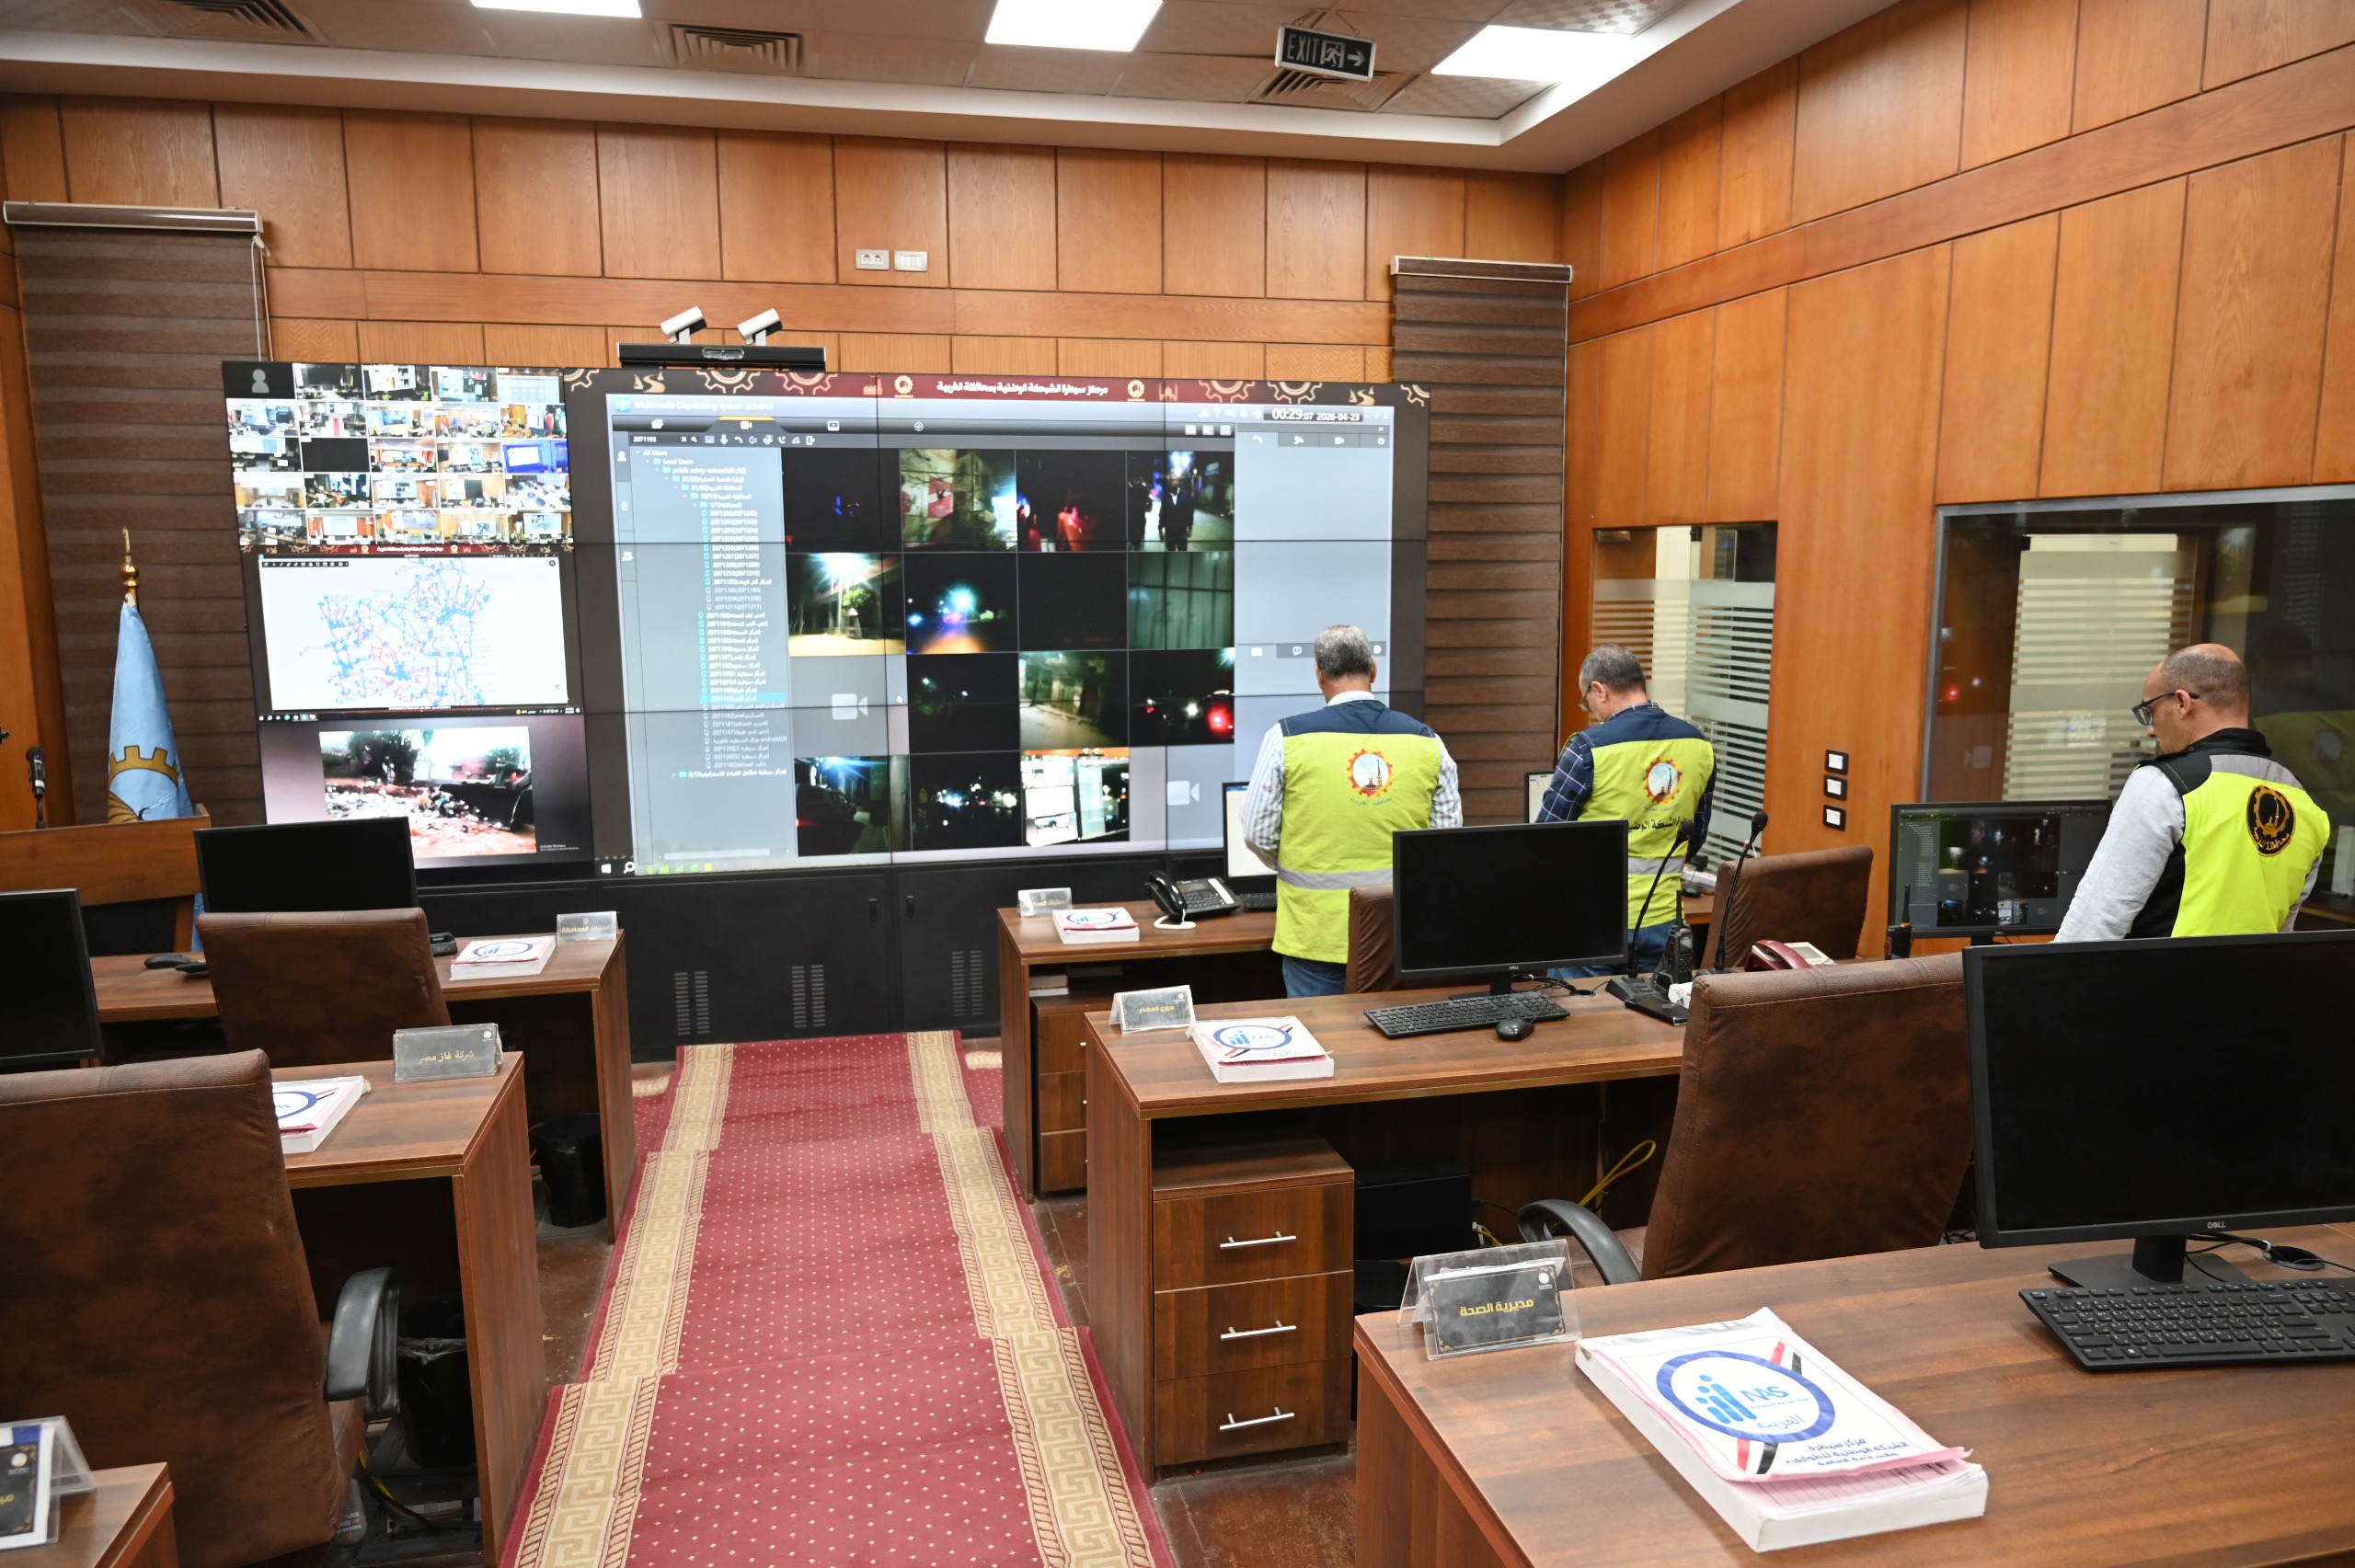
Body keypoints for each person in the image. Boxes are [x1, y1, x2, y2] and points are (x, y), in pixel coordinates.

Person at [2056, 643, 2330, 941]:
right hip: (2257, 973)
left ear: (2182, 702)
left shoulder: (2163, 784)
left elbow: (2093, 926)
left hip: (2162, 972)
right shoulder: (2305, 805)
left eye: (2150, 711)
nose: (2150, 729)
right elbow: (2282, 935)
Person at [1242, 625, 1462, 997]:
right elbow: (1444, 842)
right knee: (1396, 1034)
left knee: (1320, 1035)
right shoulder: (1427, 742)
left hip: (1315, 933)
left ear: (1319, 674)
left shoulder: (1287, 738)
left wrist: (1299, 857)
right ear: (1374, 670)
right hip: (1399, 937)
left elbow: (1257, 834)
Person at [1535, 645, 1717, 978]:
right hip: (1664, 920)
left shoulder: (1588, 748)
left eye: (1586, 701)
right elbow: (1695, 835)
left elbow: (1547, 839)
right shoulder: (1699, 745)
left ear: (1599, 690)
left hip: (1591, 921)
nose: (1590, 710)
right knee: (1652, 1010)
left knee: (1577, 1010)